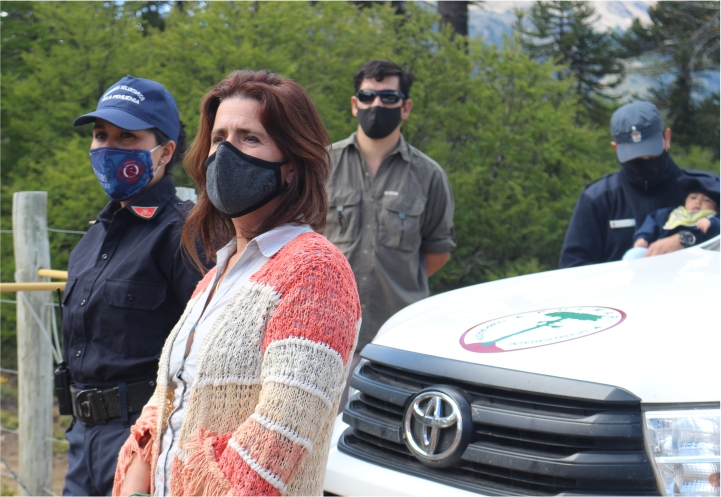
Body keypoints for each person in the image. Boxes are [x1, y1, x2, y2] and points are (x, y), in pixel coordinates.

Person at [113, 69, 361, 496]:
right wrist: (137, 474)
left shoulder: (315, 271)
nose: (226, 153)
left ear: (291, 165)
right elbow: (169, 398)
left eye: (249, 138)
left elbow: (279, 436)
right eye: (218, 138)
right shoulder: (217, 274)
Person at [61, 75, 207, 496]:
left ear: (164, 152)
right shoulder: (91, 240)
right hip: (82, 439)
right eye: (100, 135)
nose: (108, 147)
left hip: (146, 443)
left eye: (127, 137)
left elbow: (206, 356)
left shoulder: (184, 235)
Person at [325, 60, 455, 400]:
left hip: (398, 338)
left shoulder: (428, 175)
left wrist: (396, 280)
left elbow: (437, 252)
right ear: (355, 105)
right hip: (327, 333)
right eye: (367, 96)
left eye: (388, 97)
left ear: (406, 107)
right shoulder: (322, 166)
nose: (376, 105)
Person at [559, 101, 720, 268]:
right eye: (634, 157)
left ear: (667, 138)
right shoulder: (599, 198)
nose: (644, 161)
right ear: (616, 149)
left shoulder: (708, 188)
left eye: (651, 153)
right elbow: (573, 268)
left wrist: (687, 239)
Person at [623, 176, 720, 259]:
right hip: (657, 254)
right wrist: (642, 237)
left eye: (707, 200)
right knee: (634, 254)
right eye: (693, 198)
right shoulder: (669, 214)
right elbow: (651, 223)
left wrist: (710, 224)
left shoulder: (712, 218)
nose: (697, 202)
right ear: (685, 200)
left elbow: (717, 228)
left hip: (691, 259)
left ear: (716, 208)